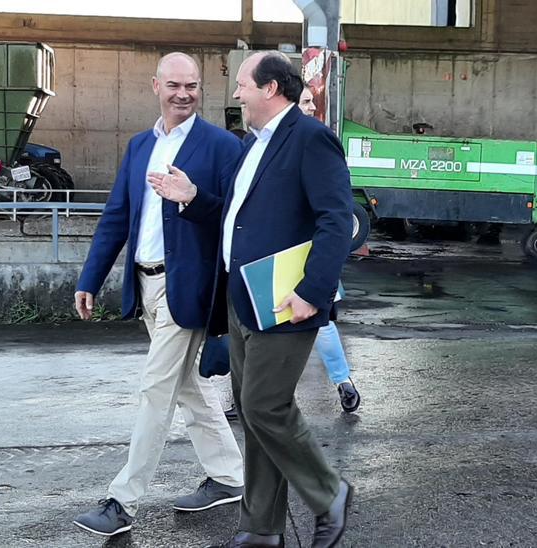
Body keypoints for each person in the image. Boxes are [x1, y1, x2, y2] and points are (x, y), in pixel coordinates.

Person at [156, 51, 354, 548]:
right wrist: (191, 198)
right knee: (252, 407)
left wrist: (314, 291)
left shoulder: (310, 138)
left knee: (265, 405)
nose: (237, 92)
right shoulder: (253, 144)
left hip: (287, 298)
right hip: (244, 297)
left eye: (243, 84)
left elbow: (337, 220)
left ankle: (329, 492)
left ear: (270, 89)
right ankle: (261, 527)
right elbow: (236, 217)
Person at [70, 52, 245, 537]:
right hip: (144, 282)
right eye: (174, 85)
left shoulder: (221, 147)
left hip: (187, 287)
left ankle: (123, 501)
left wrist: (192, 198)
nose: (183, 94)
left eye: (191, 85)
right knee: (189, 385)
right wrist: (89, 278)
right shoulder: (140, 145)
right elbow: (116, 217)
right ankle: (231, 475)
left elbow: (236, 219)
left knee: (157, 389)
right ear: (156, 86)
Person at [298, 86, 361, 413]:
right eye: (305, 101)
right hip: (287, 257)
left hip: (308, 255)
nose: (312, 107)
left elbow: (333, 213)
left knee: (320, 324)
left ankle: (342, 381)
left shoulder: (316, 141)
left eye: (312, 101)